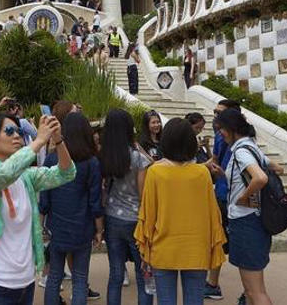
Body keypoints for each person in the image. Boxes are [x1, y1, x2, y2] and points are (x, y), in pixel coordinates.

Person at [0, 113, 75, 305]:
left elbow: (66, 173)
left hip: (26, 281)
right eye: (9, 131)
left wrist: (58, 139)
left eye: (18, 131)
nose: (16, 136)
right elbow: (2, 174)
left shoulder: (25, 176)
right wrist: (40, 140)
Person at [135, 118, 226, 305]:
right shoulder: (202, 174)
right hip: (196, 249)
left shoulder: (155, 173)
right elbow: (211, 214)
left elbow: (148, 215)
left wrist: (145, 249)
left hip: (163, 248)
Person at [39, 112, 103, 305]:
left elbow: (45, 197)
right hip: (82, 227)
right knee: (80, 278)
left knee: (54, 276)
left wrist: (41, 226)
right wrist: (99, 229)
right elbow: (95, 200)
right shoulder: (92, 162)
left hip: (56, 227)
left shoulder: (51, 160)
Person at [215, 108, 273, 305]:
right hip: (256, 219)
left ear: (231, 128)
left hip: (246, 221)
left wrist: (243, 196)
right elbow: (275, 168)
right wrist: (226, 175)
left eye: (221, 128)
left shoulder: (241, 152)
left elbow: (260, 178)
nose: (220, 133)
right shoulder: (251, 146)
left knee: (255, 291)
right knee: (251, 290)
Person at [99, 109, 153, 305]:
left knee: (115, 275)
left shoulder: (104, 157)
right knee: (143, 274)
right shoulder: (138, 159)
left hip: (112, 217)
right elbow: (143, 194)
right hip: (136, 220)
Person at [204, 99, 241, 300]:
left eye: (219, 113)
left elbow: (215, 162)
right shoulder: (246, 138)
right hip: (237, 195)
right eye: (215, 112)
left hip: (224, 193)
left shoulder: (222, 134)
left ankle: (213, 283)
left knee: (217, 238)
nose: (215, 117)